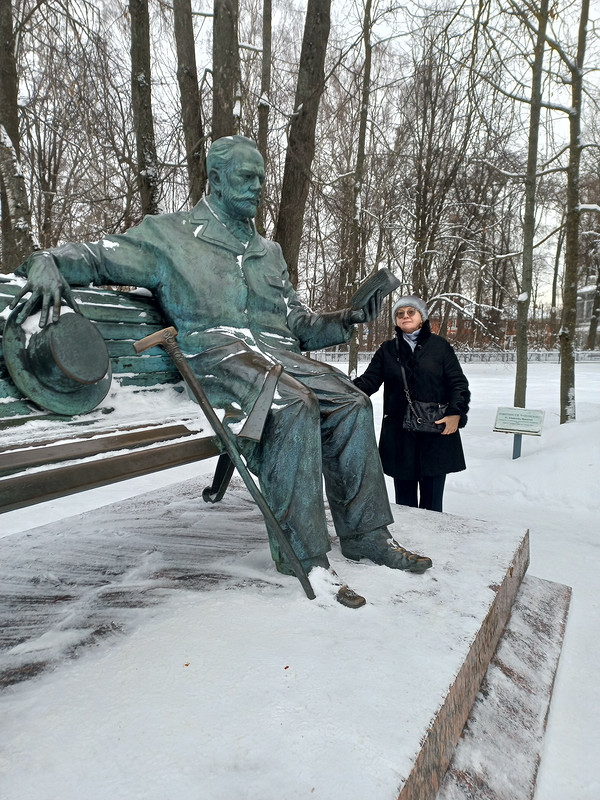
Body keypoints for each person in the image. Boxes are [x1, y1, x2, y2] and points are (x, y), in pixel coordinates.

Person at [10, 136, 432, 605]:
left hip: (278, 354)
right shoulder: (169, 236)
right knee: (292, 405)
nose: (258, 188)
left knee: (352, 402)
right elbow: (96, 256)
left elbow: (294, 324)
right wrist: (47, 261)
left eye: (262, 179)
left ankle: (366, 535)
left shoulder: (268, 251)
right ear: (215, 178)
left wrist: (345, 319)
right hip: (215, 357)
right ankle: (307, 556)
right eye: (247, 178)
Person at [354, 296, 470, 513]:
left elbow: (458, 383)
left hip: (436, 432)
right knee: (405, 505)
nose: (405, 316)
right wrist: (338, 390)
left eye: (411, 312)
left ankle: (432, 545)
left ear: (421, 317)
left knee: (433, 505)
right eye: (400, 313)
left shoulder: (440, 347)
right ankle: (409, 546)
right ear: (396, 320)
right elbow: (368, 381)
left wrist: (456, 413)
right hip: (401, 436)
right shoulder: (388, 350)